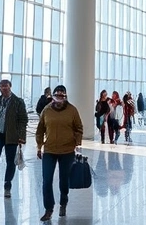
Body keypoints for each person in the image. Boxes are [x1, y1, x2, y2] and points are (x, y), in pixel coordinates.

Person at [35, 84, 83, 221]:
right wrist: (39, 147)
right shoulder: (46, 110)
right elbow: (40, 130)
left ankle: (63, 202)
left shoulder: (72, 110)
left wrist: (77, 143)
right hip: (49, 149)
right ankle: (48, 209)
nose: (59, 97)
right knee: (47, 180)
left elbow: (79, 128)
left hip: (67, 150)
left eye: (62, 95)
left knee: (64, 180)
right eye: (57, 94)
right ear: (53, 96)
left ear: (65, 96)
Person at [0, 79, 29, 199]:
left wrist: (21, 137)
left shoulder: (18, 102)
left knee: (10, 162)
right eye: (2, 86)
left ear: (10, 87)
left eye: (6, 86)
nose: (4, 88)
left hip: (12, 136)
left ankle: (7, 186)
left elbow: (23, 120)